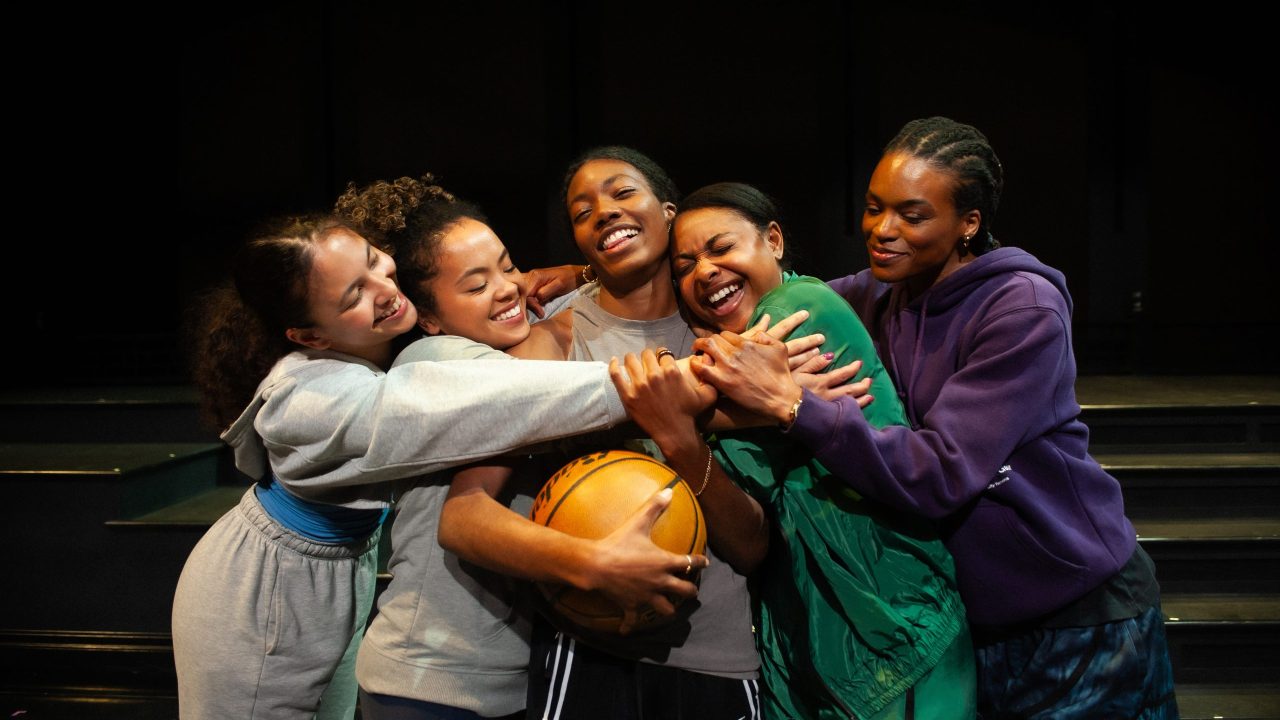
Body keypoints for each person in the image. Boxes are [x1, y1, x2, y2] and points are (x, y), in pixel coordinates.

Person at [689, 117, 1179, 719]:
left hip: (1073, 613)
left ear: (968, 224)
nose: (881, 231)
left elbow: (941, 471)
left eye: (912, 215)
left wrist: (791, 407)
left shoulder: (1021, 306)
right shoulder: (879, 293)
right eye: (873, 208)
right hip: (971, 619)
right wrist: (587, 282)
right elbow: (770, 288)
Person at [172, 214, 664, 720]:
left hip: (343, 563)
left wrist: (581, 274)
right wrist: (661, 385)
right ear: (310, 336)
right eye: (353, 295)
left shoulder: (383, 335)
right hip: (263, 588)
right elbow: (466, 403)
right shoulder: (308, 399)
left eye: (373, 262)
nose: (385, 289)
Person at [332, 176, 712, 720]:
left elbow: (607, 288)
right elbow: (578, 397)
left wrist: (579, 272)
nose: (508, 288)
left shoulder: (516, 334)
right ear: (432, 317)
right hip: (430, 678)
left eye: (507, 266)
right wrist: (759, 393)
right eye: (475, 285)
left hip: (509, 674)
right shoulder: (442, 363)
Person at [611, 180, 975, 719]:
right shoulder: (727, 350)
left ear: (773, 241)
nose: (704, 271)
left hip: (890, 618)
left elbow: (681, 405)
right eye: (684, 266)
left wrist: (667, 419)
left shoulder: (798, 306)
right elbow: (748, 535)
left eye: (720, 248)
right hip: (806, 631)